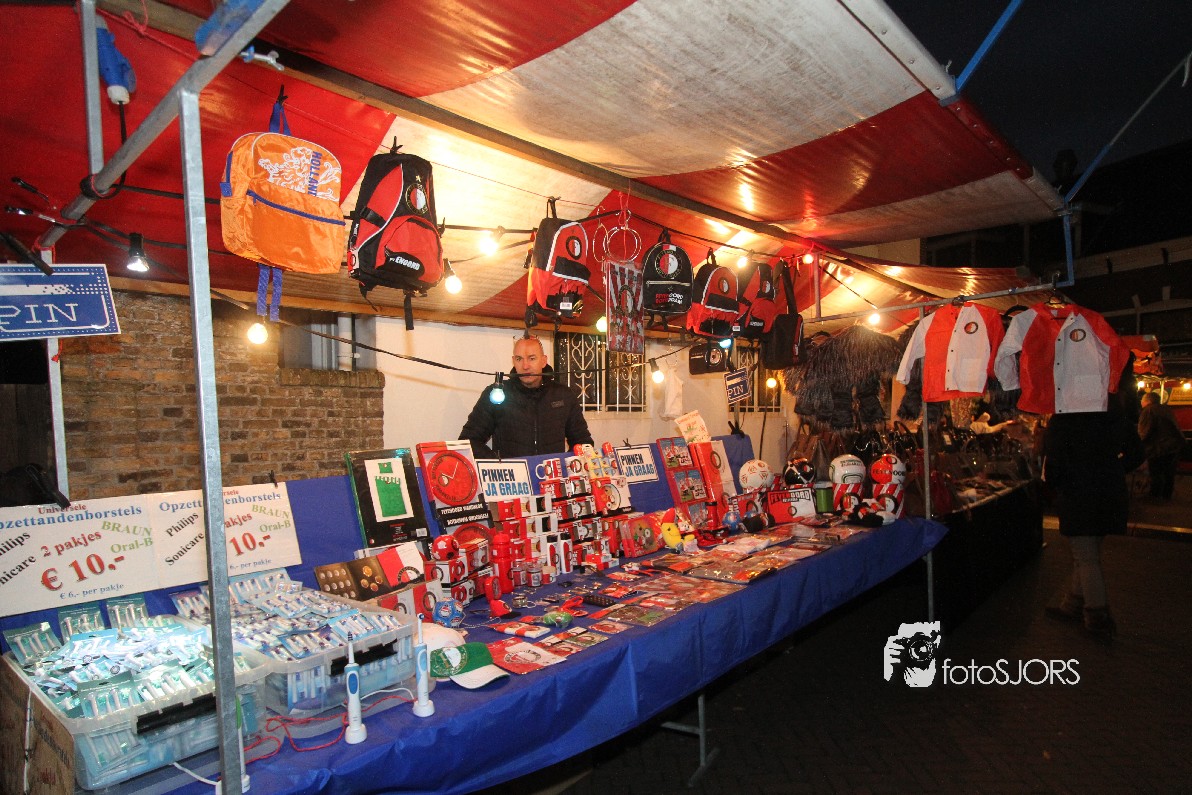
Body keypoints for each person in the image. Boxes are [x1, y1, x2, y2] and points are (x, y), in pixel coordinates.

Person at [1042, 391, 1145, 643]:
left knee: (1086, 556)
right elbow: (1137, 453)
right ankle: (1073, 603)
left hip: (1078, 493)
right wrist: (1114, 469)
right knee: (1088, 553)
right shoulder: (1114, 414)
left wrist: (1055, 484)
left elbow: (1053, 460)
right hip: (1109, 491)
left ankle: (1097, 616)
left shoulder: (1065, 417)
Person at [459, 335, 593, 458]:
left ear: (543, 361)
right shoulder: (496, 393)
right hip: (512, 476)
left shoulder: (563, 395)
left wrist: (566, 467)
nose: (525, 366)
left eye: (532, 358)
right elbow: (468, 441)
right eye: (519, 359)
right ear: (513, 361)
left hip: (551, 475)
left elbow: (583, 443)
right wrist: (498, 465)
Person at [1138, 391, 1184, 500]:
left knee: (1156, 472)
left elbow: (1144, 431)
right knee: (1168, 473)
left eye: (1142, 400)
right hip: (1173, 445)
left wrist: (1138, 444)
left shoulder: (1149, 411)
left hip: (1158, 447)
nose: (1141, 402)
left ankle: (1155, 495)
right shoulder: (1166, 409)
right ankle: (1166, 495)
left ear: (1148, 401)